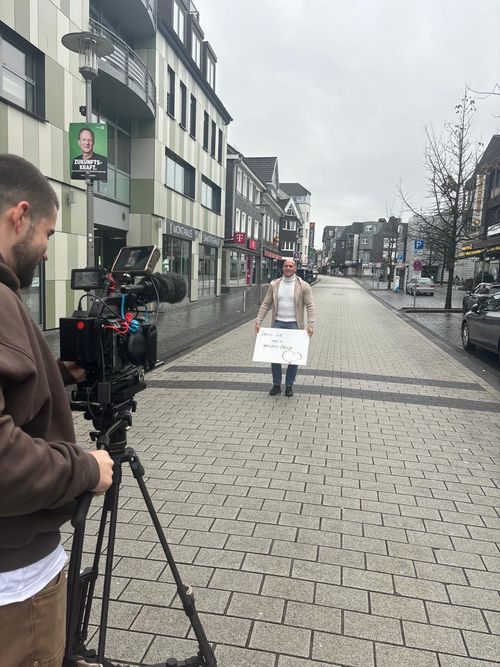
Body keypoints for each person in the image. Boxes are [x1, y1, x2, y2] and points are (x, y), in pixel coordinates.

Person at [0, 154, 114, 667]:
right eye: (47, 233)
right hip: (15, 585)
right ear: (19, 216)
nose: (47, 250)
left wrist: (57, 374)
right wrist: (86, 468)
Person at [255, 258, 315, 397]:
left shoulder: (303, 286)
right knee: (275, 357)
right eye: (286, 266)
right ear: (282, 268)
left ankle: (289, 385)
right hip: (278, 323)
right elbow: (265, 304)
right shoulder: (275, 284)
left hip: (295, 325)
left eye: (290, 266)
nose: (288, 268)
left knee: (294, 357)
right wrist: (258, 321)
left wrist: (310, 324)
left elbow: (310, 305)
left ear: (295, 268)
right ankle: (277, 385)